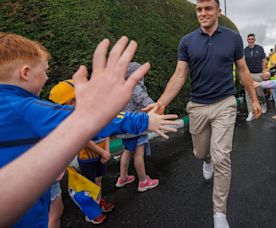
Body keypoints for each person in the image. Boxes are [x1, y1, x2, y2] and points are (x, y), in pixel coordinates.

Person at [0, 33, 178, 227]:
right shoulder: (24, 108)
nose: (47, 76)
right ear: (25, 73)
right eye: (44, 71)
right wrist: (145, 120)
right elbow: (89, 120)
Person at [143, 1, 261, 227]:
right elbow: (179, 75)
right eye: (199, 9)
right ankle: (206, 160)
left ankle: (219, 213)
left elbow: (243, 69)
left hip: (225, 103)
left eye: (208, 8)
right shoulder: (187, 41)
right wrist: (160, 104)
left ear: (218, 11)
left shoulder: (233, 38)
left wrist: (254, 99)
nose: (203, 13)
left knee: (222, 157)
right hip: (197, 106)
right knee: (200, 153)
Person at [49, 80, 115, 224]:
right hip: (87, 158)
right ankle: (91, 213)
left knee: (98, 180)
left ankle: (98, 202)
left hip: (101, 155)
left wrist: (107, 151)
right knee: (88, 185)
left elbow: (106, 131)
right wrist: (103, 153)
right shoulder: (74, 119)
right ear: (71, 102)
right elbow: (84, 140)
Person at [115, 62, 159, 192]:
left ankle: (122, 177)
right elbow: (146, 101)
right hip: (137, 127)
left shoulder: (120, 88)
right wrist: (157, 106)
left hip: (124, 127)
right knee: (139, 153)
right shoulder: (135, 87)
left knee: (127, 151)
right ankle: (143, 181)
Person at [243, 33, 267, 121]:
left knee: (259, 93)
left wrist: (263, 70)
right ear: (247, 40)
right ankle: (250, 113)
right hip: (248, 74)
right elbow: (242, 64)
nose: (251, 41)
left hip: (258, 73)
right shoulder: (244, 50)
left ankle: (263, 104)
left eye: (252, 39)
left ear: (254, 40)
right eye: (249, 39)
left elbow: (264, 60)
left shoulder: (259, 48)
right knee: (248, 93)